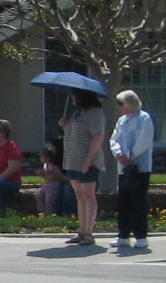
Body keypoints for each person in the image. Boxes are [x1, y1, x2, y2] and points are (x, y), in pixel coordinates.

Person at [60, 89, 109, 247]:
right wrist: (65, 125)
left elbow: (97, 136)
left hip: (88, 160)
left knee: (88, 195)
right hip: (73, 160)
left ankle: (89, 232)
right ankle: (81, 231)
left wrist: (87, 161)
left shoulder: (95, 113)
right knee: (79, 195)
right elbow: (73, 133)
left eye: (75, 96)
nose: (73, 98)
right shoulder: (77, 113)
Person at [112, 89, 154, 251]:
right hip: (123, 168)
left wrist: (129, 155)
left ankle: (141, 236)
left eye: (121, 103)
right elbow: (114, 139)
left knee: (138, 201)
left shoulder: (144, 119)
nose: (119, 107)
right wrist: (118, 153)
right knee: (124, 201)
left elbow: (144, 140)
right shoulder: (121, 120)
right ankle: (123, 235)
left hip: (140, 168)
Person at [33, 143, 73, 218]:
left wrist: (48, 174)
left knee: (49, 199)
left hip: (52, 186)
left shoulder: (53, 167)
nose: (40, 159)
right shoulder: (44, 166)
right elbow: (46, 178)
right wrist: (42, 175)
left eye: (42, 157)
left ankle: (49, 213)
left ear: (48, 158)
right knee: (38, 195)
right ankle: (42, 211)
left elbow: (54, 178)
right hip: (46, 185)